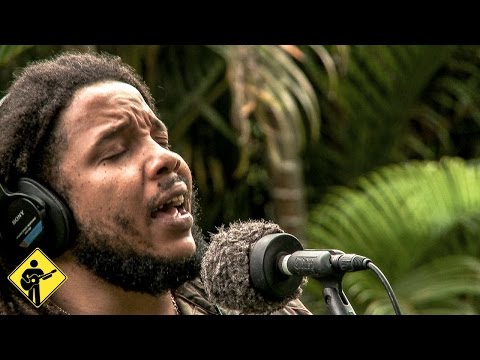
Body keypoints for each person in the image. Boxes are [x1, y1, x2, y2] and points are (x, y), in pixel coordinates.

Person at [0, 51, 312, 315]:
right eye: (116, 151)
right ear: (37, 208)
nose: (167, 159)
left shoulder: (262, 306)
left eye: (161, 140)